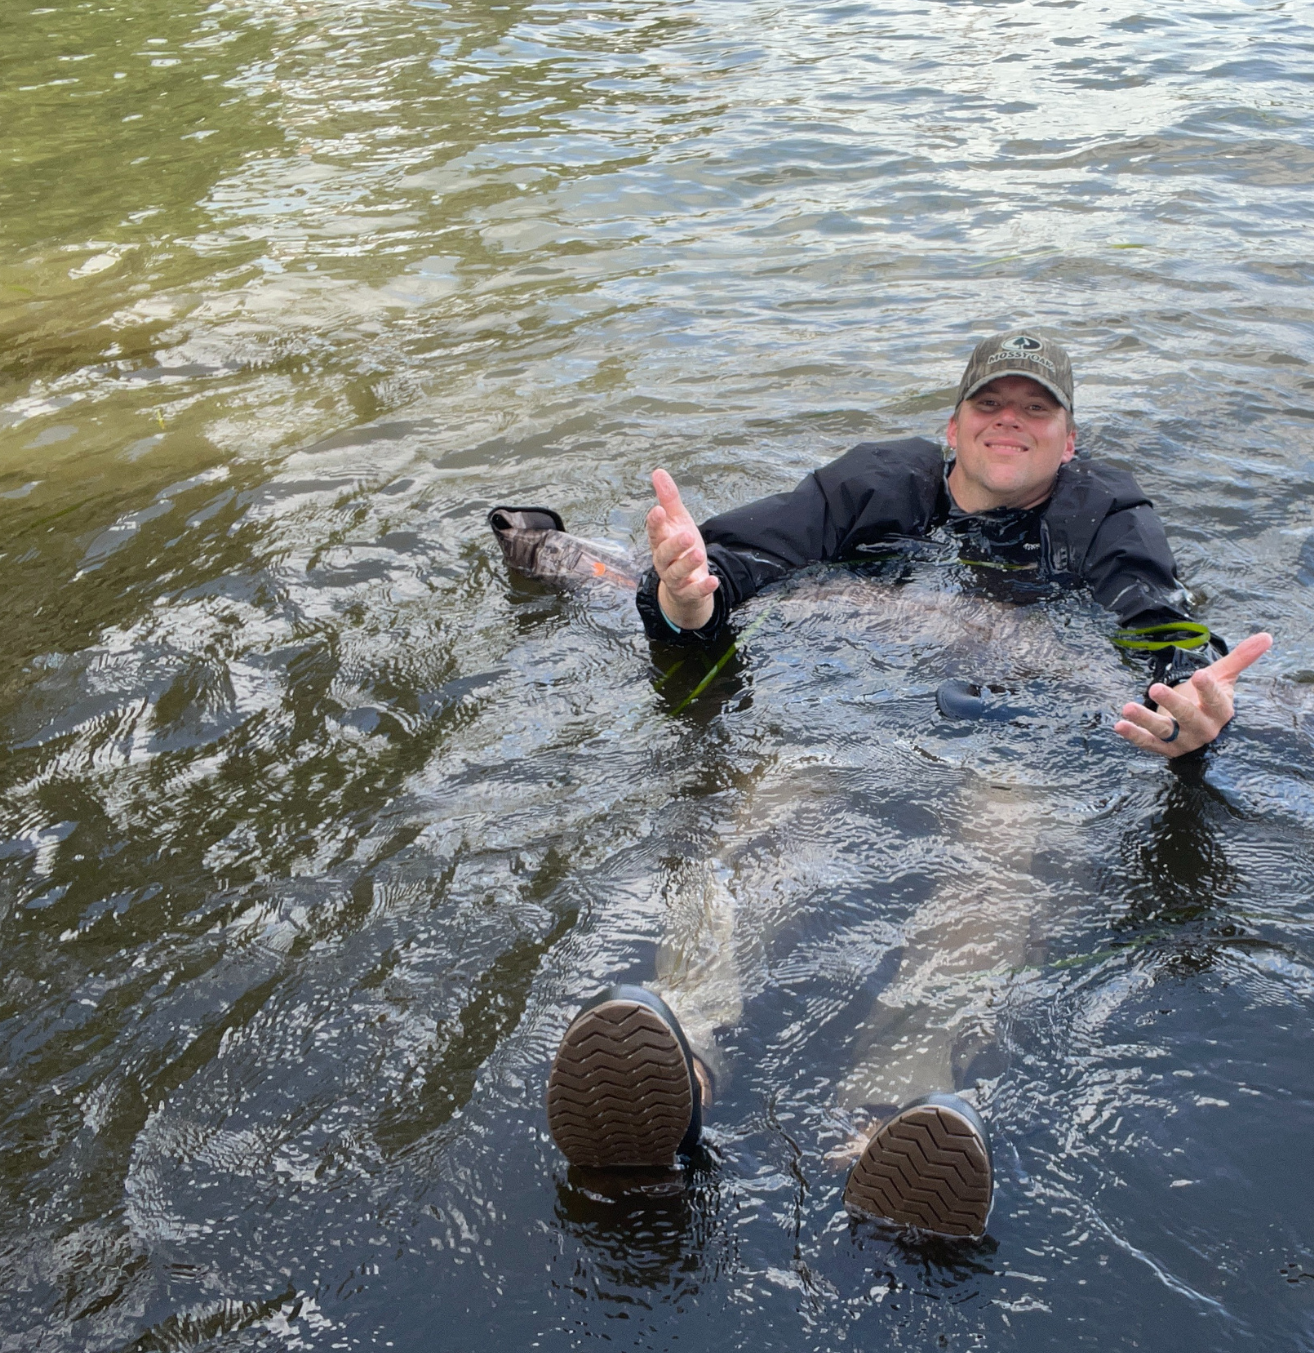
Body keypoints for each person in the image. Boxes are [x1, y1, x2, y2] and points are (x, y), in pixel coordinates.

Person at [540, 329, 1272, 1241]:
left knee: (1002, 847)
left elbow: (1157, 628)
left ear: (1069, 440)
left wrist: (1189, 711)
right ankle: (676, 1062)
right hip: (846, 723)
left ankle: (890, 1127)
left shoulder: (1107, 517)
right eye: (991, 406)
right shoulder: (877, 485)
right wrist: (686, 600)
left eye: (1036, 410)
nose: (1012, 421)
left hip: (1015, 746)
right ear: (953, 428)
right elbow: (732, 559)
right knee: (774, 805)